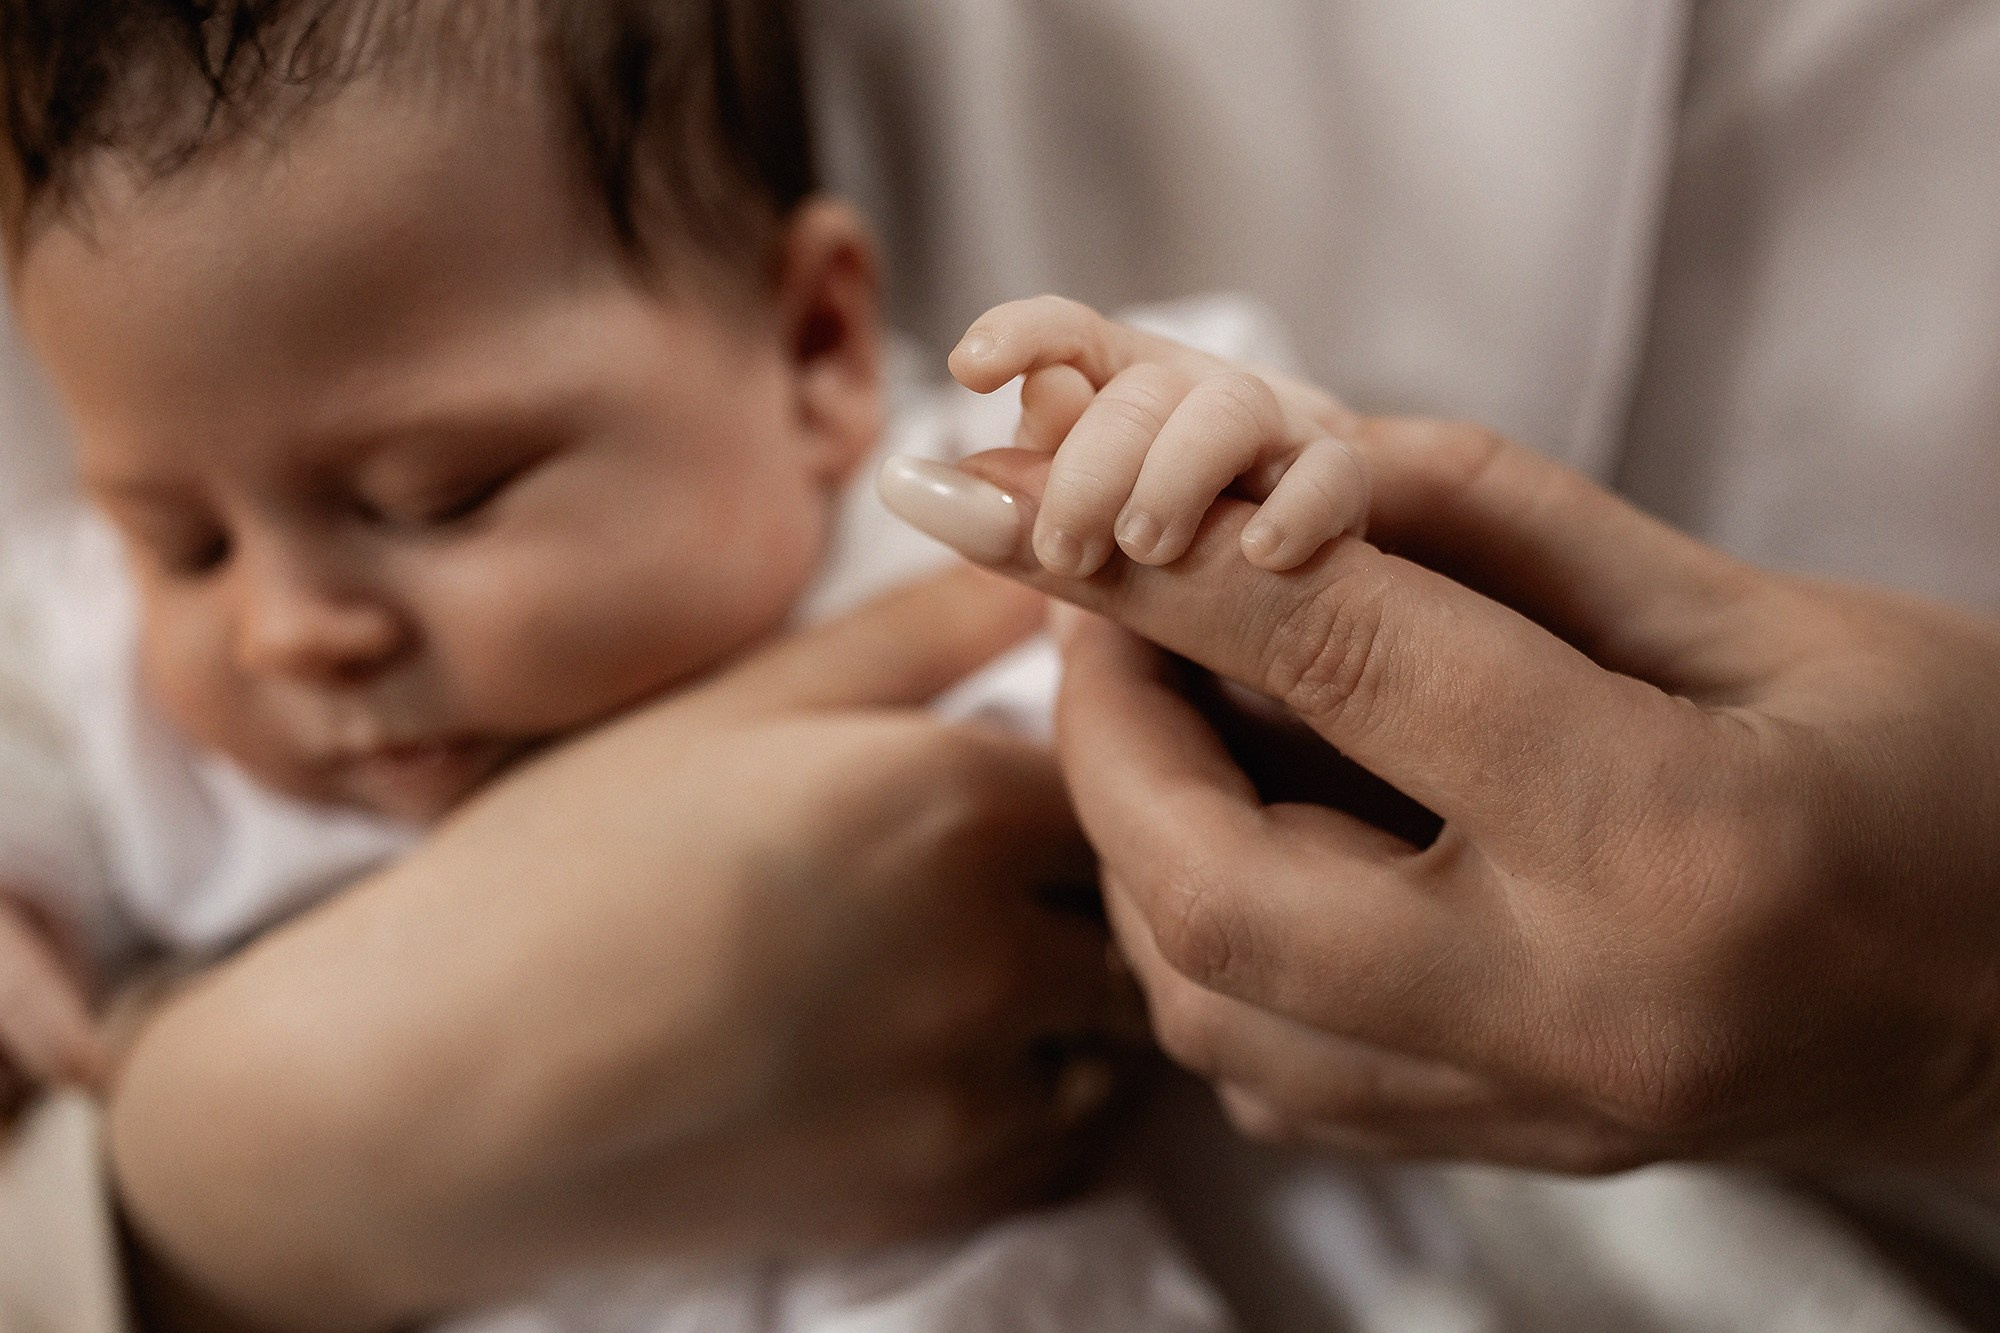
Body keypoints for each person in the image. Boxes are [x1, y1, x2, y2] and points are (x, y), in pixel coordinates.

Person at [0, 0, 1388, 1329]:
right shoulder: (136, 708)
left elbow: (1303, 690)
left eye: (435, 497)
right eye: (181, 544)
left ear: (814, 350)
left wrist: (1201, 493)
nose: (285, 629)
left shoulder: (952, 522)